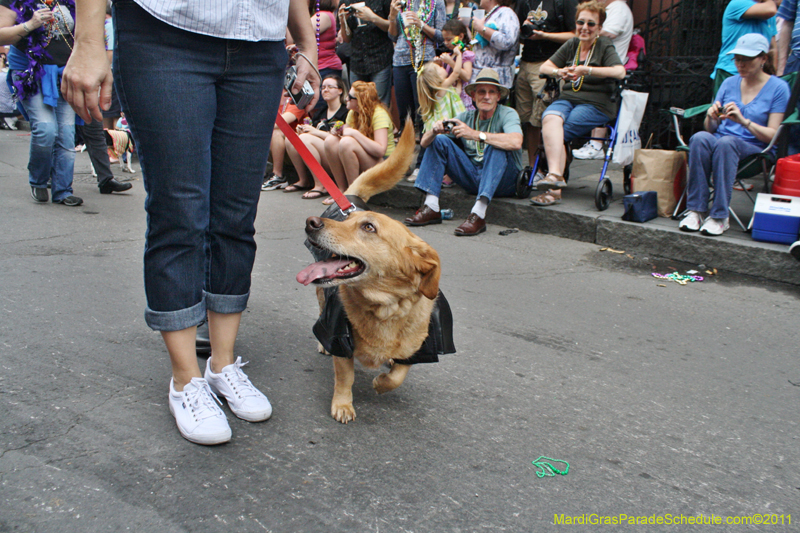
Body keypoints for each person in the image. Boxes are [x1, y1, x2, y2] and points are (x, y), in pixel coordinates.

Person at [61, 0, 320, 445]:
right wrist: (88, 39)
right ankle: (185, 380)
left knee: (236, 213)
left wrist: (308, 42)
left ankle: (222, 364)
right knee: (180, 212)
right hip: (164, 32)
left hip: (260, 45)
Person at [679, 34, 789, 236]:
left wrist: (743, 121)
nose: (741, 64)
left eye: (747, 59)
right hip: (721, 142)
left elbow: (773, 135)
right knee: (700, 138)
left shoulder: (779, 88)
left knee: (727, 143)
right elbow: (710, 128)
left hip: (755, 149)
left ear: (763, 59)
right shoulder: (729, 83)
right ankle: (696, 210)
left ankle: (720, 216)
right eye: (737, 59)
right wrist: (712, 117)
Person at [403, 68, 523, 236]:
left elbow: (516, 141)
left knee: (496, 146)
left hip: (505, 180)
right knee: (439, 140)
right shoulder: (465, 117)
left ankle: (478, 214)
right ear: (473, 96)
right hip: (474, 177)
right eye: (481, 92)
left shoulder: (508, 113)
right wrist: (434, 130)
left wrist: (475, 134)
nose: (486, 96)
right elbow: (424, 143)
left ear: (498, 96)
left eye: (491, 92)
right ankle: (431, 206)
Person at [529, 0, 625, 207]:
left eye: (591, 24)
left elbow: (620, 71)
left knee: (559, 132)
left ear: (599, 28)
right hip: (568, 99)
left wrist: (586, 70)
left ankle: (553, 189)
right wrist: (559, 72)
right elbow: (546, 67)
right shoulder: (572, 44)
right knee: (549, 117)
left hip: (596, 104)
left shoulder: (604, 45)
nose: (585, 28)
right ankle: (556, 175)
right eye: (581, 22)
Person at [0, 0, 82, 206]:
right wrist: (31, 24)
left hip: (65, 73)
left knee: (66, 133)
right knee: (46, 129)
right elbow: (1, 34)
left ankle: (63, 190)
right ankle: (38, 180)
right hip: (32, 74)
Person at [514, 0, 578, 173]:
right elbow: (517, 31)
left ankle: (551, 169)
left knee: (546, 119)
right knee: (528, 120)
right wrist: (524, 29)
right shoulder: (524, 1)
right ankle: (534, 169)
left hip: (549, 64)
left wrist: (545, 35)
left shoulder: (564, 3)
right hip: (525, 63)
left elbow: (576, 34)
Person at [571, 0, 632, 159]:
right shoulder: (609, 8)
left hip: (608, 66)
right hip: (596, 64)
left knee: (598, 98)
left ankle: (596, 143)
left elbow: (609, 32)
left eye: (592, 24)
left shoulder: (618, 8)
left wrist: (585, 31)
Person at [323, 80, 395, 204]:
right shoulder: (353, 113)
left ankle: (354, 195)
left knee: (347, 143)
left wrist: (354, 133)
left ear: (361, 101)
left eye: (350, 97)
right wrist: (339, 132)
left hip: (385, 163)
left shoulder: (379, 114)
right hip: (368, 160)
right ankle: (341, 190)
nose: (346, 99)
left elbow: (380, 150)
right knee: (331, 141)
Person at [285, 74, 349, 198]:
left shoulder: (346, 112)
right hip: (321, 153)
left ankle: (321, 185)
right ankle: (303, 180)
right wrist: (304, 130)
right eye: (323, 87)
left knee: (305, 139)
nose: (325, 90)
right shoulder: (320, 112)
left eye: (330, 87)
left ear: (340, 91)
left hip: (337, 156)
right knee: (291, 139)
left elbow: (343, 140)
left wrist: (314, 132)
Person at [388, 0, 446, 127]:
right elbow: (393, 36)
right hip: (400, 61)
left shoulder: (436, 2)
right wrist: (392, 17)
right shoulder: (400, 1)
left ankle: (424, 143)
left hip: (424, 59)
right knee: (404, 111)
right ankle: (406, 142)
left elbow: (441, 36)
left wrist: (421, 24)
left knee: (423, 110)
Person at [338, 0, 394, 105]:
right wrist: (342, 21)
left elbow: (392, 27)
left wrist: (372, 17)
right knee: (357, 105)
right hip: (357, 61)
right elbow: (347, 38)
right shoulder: (346, 1)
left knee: (380, 105)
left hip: (380, 58)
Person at [715, 0, 777, 79]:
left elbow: (772, 48)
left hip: (759, 76)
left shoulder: (770, 14)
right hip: (731, 73)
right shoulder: (738, 3)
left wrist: (773, 76)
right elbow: (770, 10)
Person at [262, 90, 308, 191]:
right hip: (276, 145)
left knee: (276, 131)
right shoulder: (272, 97)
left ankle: (278, 176)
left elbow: (282, 122)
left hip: (295, 145)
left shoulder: (296, 97)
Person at [470, 0, 520, 88]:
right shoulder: (490, 14)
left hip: (496, 79)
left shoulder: (506, 13)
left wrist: (482, 29)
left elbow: (507, 41)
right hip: (480, 77)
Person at [440, 18, 474, 110]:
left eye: (449, 39)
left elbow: (467, 76)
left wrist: (451, 62)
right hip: (452, 97)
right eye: (444, 40)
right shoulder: (450, 55)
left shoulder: (466, 54)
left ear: (461, 36)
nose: (446, 43)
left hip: (463, 99)